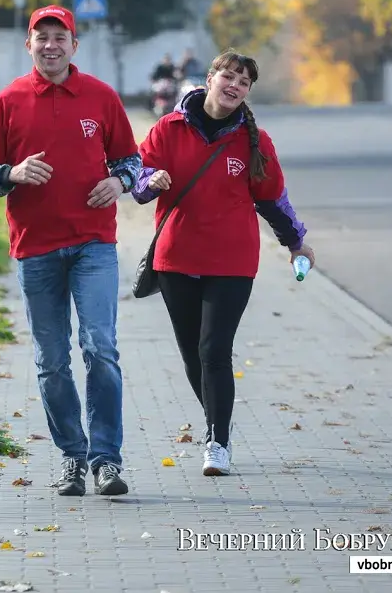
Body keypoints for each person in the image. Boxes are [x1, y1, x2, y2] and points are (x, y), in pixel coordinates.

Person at [0, 4, 142, 497]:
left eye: (59, 37)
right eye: (41, 37)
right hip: (36, 250)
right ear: (29, 46)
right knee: (51, 361)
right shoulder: (7, 103)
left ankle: (106, 460)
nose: (50, 45)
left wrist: (119, 180)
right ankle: (72, 456)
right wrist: (12, 174)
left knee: (100, 349)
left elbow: (134, 161)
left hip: (93, 245)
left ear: (73, 45)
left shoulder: (101, 98)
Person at [130, 50, 316, 476]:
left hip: (232, 260)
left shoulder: (254, 140)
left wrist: (296, 243)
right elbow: (136, 177)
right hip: (175, 258)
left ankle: (218, 441)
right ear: (210, 78)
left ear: (248, 91)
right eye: (228, 76)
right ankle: (220, 417)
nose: (234, 85)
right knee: (192, 355)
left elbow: (272, 199)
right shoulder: (168, 129)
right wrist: (147, 180)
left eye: (244, 82)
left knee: (214, 349)